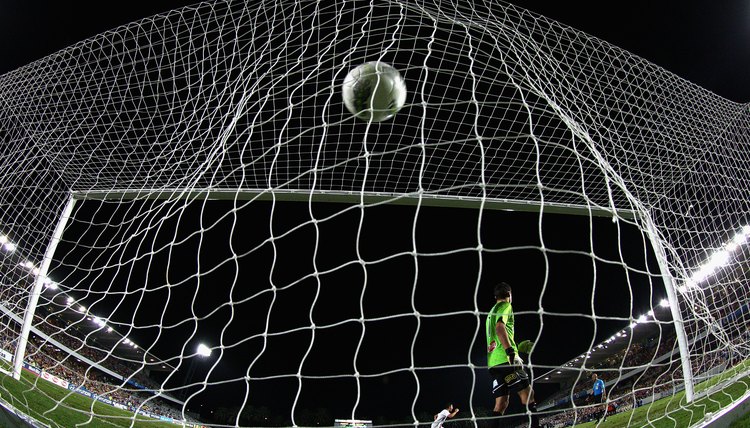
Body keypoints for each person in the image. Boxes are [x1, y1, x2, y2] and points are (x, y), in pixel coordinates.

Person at [486, 282, 539, 428]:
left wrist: (516, 346)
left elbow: (496, 334)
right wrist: (510, 351)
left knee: (500, 404)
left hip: (493, 364)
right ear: (509, 294)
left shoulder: (490, 313)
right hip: (507, 360)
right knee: (528, 395)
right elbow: (499, 328)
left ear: (495, 296)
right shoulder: (506, 306)